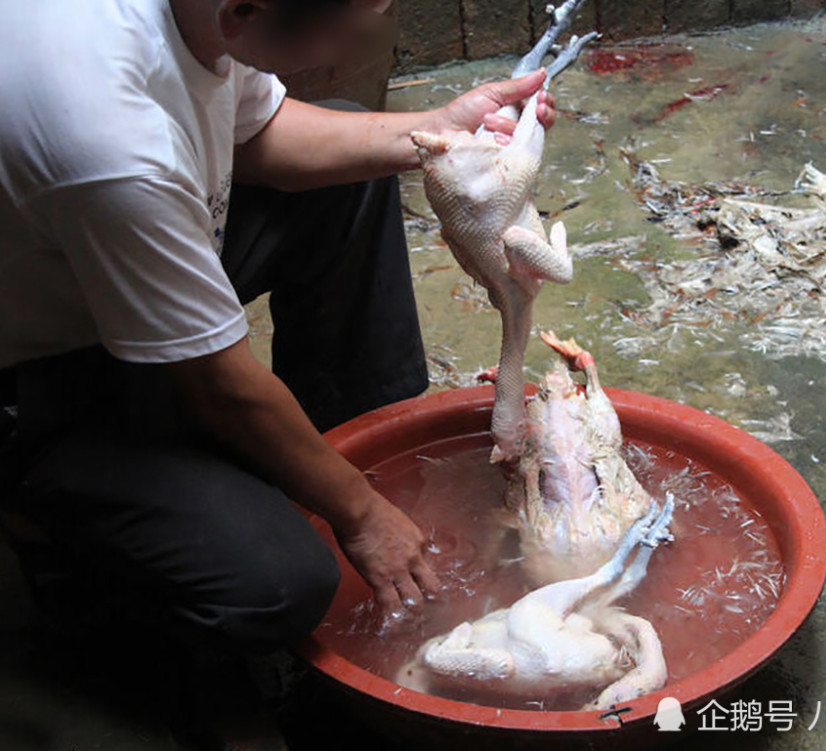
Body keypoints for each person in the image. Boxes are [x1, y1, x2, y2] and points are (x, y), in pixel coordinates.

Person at [0, 0, 555, 745]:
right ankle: (81, 561)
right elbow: (217, 383)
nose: (360, 37)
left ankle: (344, 446)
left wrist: (442, 130)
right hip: (41, 371)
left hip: (103, 262)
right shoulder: (109, 137)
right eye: (348, 25)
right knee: (276, 584)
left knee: (362, 164)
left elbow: (261, 132)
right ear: (244, 14)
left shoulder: (196, 20)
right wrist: (358, 515)